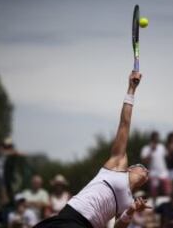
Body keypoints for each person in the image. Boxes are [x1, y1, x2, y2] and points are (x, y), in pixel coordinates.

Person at [34, 72, 150, 228]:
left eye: (146, 172)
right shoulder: (117, 166)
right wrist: (131, 89)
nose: (146, 171)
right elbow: (125, 123)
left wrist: (130, 212)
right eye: (142, 167)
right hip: (70, 215)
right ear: (130, 168)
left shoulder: (129, 203)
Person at [141, 131, 171, 200]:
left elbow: (167, 157)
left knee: (167, 189)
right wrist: (151, 151)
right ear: (151, 139)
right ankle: (154, 205)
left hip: (163, 172)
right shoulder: (146, 148)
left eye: (157, 138)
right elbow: (144, 161)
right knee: (154, 191)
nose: (156, 140)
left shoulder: (162, 147)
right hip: (153, 172)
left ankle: (168, 203)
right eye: (154, 138)